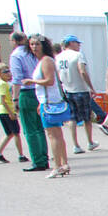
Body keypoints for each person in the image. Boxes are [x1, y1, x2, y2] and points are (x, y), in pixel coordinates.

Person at [23, 35, 71, 178]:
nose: (34, 47)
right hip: (48, 101)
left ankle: (57, 166)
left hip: (50, 103)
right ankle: (63, 163)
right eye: (32, 44)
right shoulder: (44, 61)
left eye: (37, 44)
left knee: (53, 135)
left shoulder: (46, 61)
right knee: (56, 134)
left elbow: (50, 81)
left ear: (44, 45)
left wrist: (31, 81)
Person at [56, 36, 99, 154]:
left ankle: (76, 144)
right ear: (71, 43)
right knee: (86, 117)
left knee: (72, 117)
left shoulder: (58, 57)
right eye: (77, 43)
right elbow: (82, 71)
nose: (79, 45)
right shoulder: (78, 55)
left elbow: (58, 74)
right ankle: (90, 141)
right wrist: (91, 87)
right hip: (80, 89)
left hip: (67, 90)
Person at [11, 32, 48, 171]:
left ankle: (37, 161)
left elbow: (17, 79)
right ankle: (43, 158)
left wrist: (15, 98)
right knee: (40, 128)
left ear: (15, 41)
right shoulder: (33, 54)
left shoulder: (16, 55)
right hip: (38, 90)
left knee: (30, 129)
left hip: (26, 92)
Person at [0, 62, 26, 163]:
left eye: (9, 71)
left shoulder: (4, 83)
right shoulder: (2, 84)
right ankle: (21, 155)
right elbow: (3, 100)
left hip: (2, 111)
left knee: (10, 133)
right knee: (16, 132)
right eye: (5, 72)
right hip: (5, 111)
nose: (9, 74)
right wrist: (11, 112)